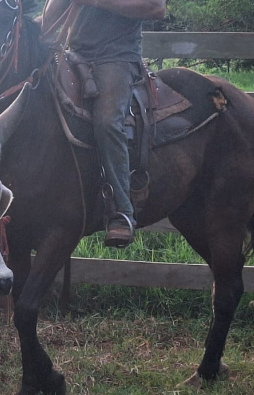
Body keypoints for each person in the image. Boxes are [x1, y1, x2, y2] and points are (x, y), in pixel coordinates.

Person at [42, 0, 167, 248]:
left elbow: (156, 8)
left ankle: (121, 211)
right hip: (71, 54)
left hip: (115, 57)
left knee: (107, 122)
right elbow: (50, 18)